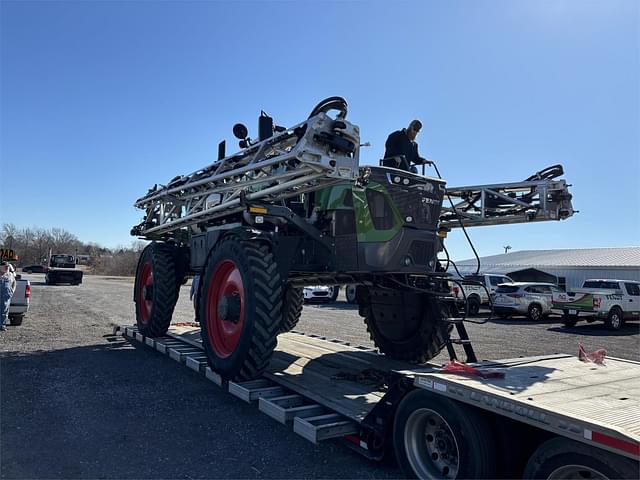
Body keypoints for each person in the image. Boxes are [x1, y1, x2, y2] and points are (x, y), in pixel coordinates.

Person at [0, 261, 16, 331]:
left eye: (7, 266)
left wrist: (12, 291)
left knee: (4, 311)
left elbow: (14, 282)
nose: (6, 268)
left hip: (6, 296)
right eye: (5, 266)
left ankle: (2, 325)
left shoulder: (10, 275)